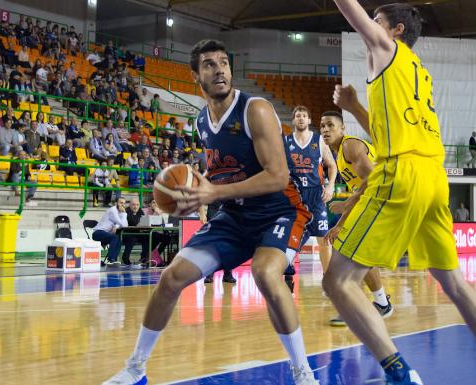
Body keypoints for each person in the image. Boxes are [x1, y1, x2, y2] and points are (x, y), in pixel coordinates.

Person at [325, 3, 476, 385]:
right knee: (453, 281)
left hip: (403, 172)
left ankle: (400, 374)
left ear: (396, 30)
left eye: (378, 21)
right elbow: (386, 136)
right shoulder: (416, 72)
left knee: (339, 281)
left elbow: (354, 14)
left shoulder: (386, 49)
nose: (371, 28)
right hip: (433, 176)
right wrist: (354, 107)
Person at [103, 39, 317, 385]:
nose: (219, 70)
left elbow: (278, 176)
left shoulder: (255, 109)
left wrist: (214, 192)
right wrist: (192, 192)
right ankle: (136, 368)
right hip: (233, 216)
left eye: (223, 62)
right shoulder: (202, 122)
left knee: (265, 274)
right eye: (209, 65)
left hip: (280, 211)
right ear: (195, 77)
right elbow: (221, 172)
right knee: (171, 278)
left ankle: (303, 374)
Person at [319, 110, 393, 326]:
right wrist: (340, 224)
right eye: (322, 125)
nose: (325, 129)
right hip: (373, 202)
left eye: (330, 125)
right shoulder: (339, 155)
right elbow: (359, 192)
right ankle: (381, 304)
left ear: (343, 129)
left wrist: (347, 204)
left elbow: (373, 178)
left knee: (350, 254)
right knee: (353, 251)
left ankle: (361, 306)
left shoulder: (350, 146)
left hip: (387, 200)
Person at [283, 105, 337, 275]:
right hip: (295, 196)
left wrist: (331, 185)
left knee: (324, 239)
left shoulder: (319, 140)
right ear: (293, 120)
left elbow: (332, 165)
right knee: (290, 236)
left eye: (304, 116)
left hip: (316, 195)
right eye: (297, 115)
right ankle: (287, 269)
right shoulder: (285, 141)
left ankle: (328, 279)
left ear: (309, 120)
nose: (300, 118)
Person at [202, 202, 237, 284]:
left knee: (228, 243)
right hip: (213, 208)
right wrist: (202, 214)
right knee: (212, 243)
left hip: (228, 207)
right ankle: (209, 274)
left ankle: (228, 274)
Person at [92, 197, 128, 265]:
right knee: (115, 237)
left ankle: (113, 259)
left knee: (119, 239)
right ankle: (111, 258)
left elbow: (124, 225)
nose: (123, 205)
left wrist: (116, 226)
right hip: (98, 233)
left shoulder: (119, 213)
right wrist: (124, 214)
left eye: (124, 203)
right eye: (121, 203)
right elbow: (122, 224)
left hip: (105, 234)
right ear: (116, 203)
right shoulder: (113, 210)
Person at [122, 198, 149, 267]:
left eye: (137, 205)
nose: (135, 207)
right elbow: (132, 222)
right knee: (132, 239)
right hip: (126, 233)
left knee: (147, 237)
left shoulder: (140, 211)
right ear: (130, 205)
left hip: (138, 233)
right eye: (133, 205)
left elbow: (144, 222)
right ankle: (125, 258)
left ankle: (143, 258)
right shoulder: (126, 211)